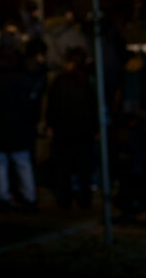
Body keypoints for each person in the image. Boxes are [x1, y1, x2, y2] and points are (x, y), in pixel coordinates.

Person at [0, 29, 40, 212]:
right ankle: (29, 197)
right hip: (16, 124)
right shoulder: (18, 74)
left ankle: (3, 196)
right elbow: (27, 100)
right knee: (21, 162)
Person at [45, 46, 98, 210]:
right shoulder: (86, 81)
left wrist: (51, 124)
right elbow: (93, 107)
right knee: (83, 169)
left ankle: (65, 199)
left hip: (65, 130)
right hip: (82, 131)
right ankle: (83, 199)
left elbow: (52, 106)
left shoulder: (61, 81)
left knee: (64, 168)